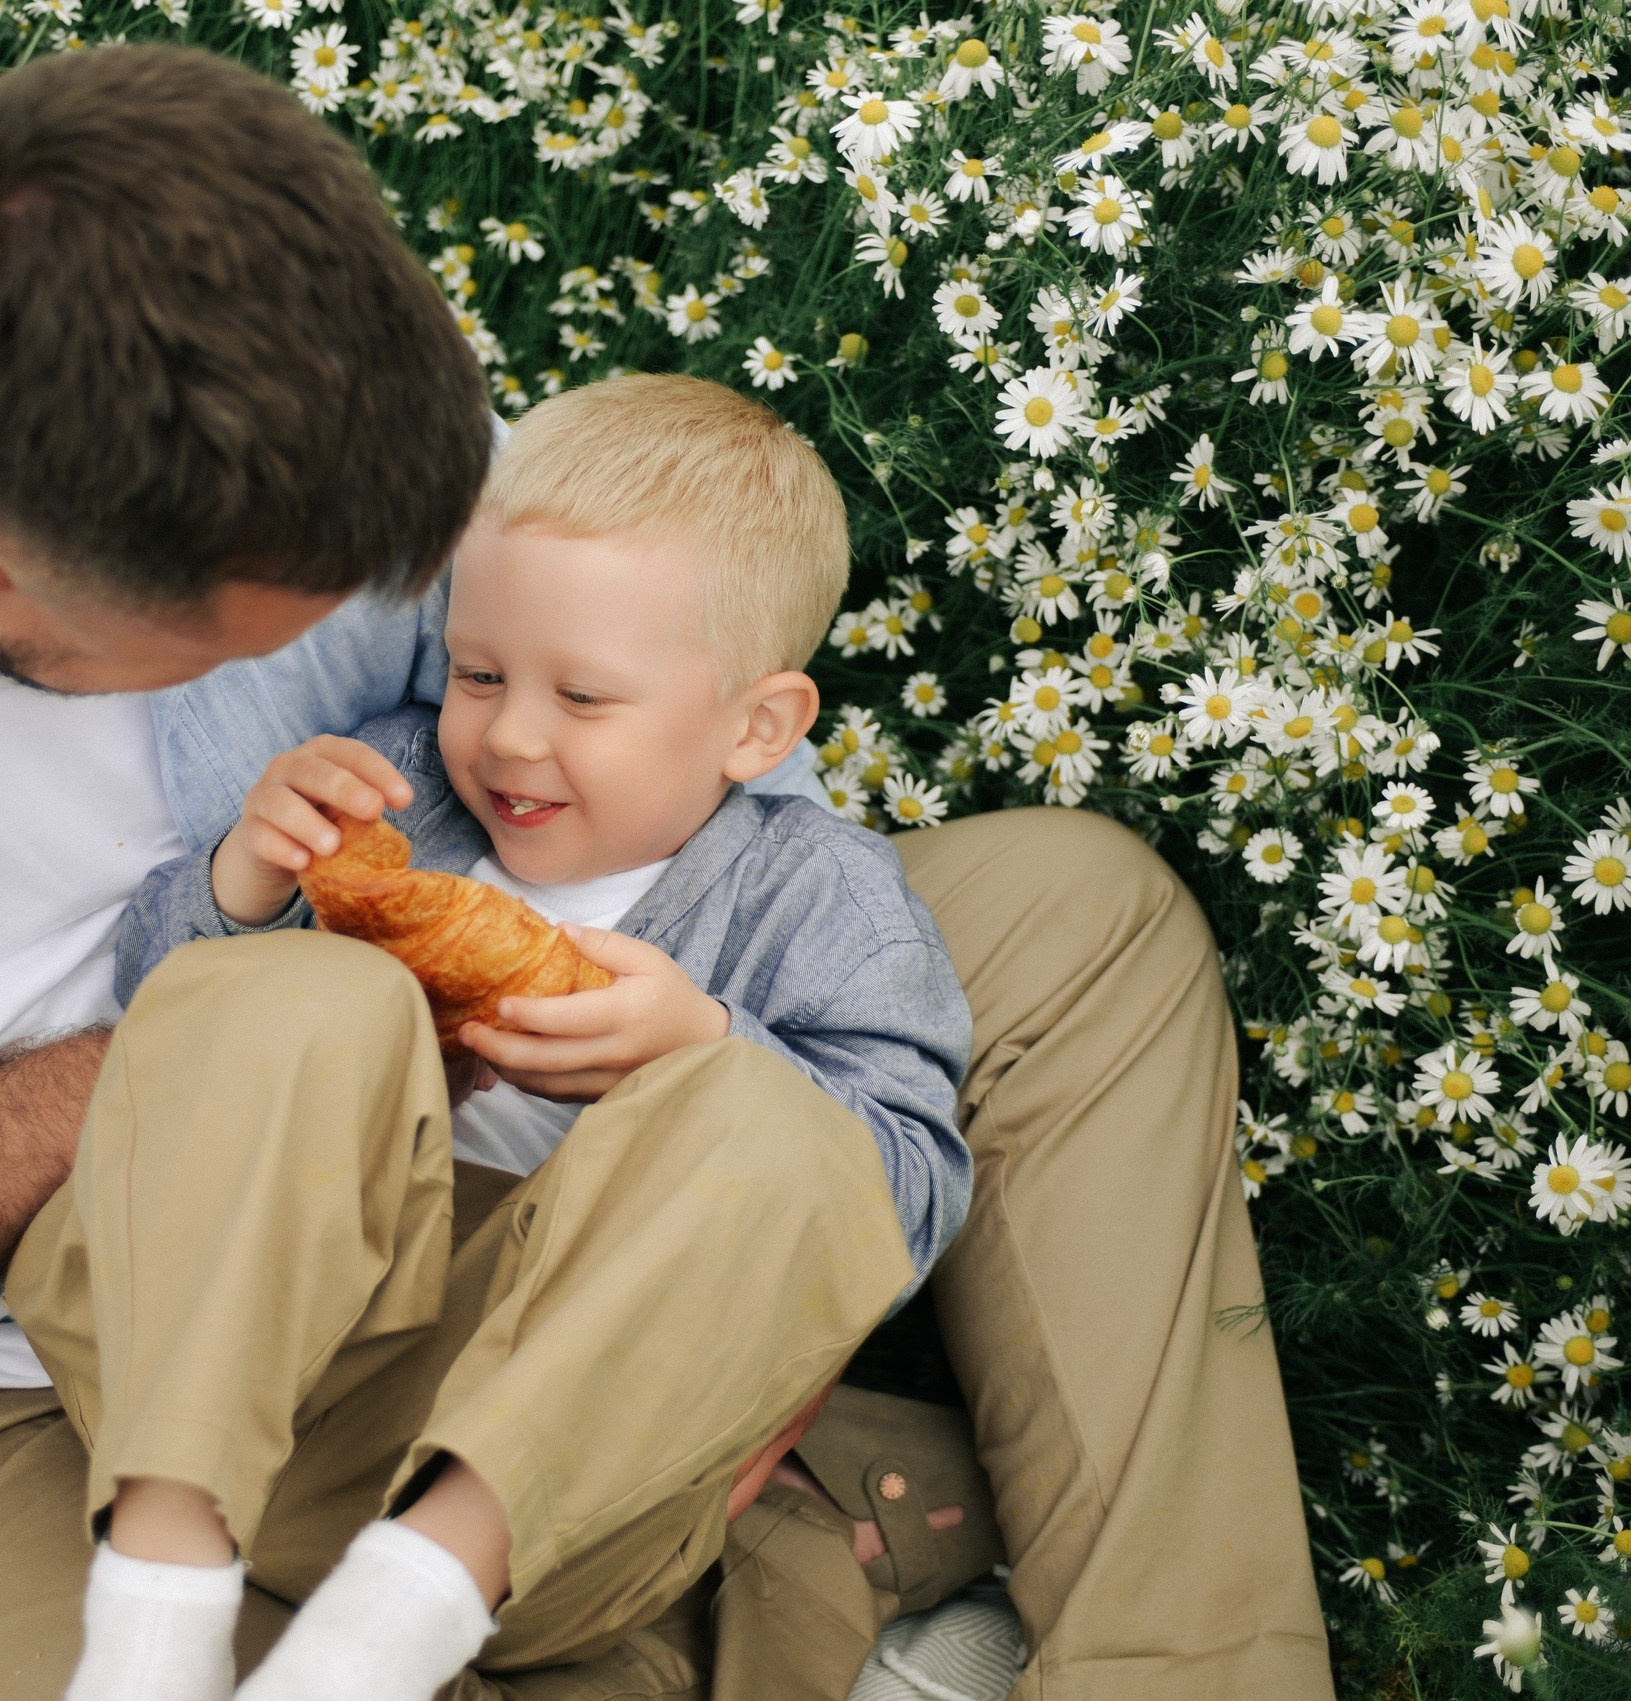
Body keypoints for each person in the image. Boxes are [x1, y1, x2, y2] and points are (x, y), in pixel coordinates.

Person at [0, 40, 1332, 1701]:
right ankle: (724, 1513)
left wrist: (707, 1096)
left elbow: (624, 667)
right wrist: (189, 1052)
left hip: (463, 1183)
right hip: (6, 1370)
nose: (415, 667)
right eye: (260, 637)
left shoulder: (165, 305)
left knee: (1070, 920)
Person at [75, 373, 974, 1701]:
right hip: (247, 1379)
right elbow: (158, 1039)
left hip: (559, 1494)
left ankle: (386, 1629)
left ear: (757, 726)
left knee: (762, 1114)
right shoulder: (397, 793)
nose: (510, 736)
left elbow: (902, 1203)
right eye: (479, 673)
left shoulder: (819, 899)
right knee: (299, 995)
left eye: (585, 697)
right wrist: (242, 882)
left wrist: (699, 1046)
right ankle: (156, 1588)